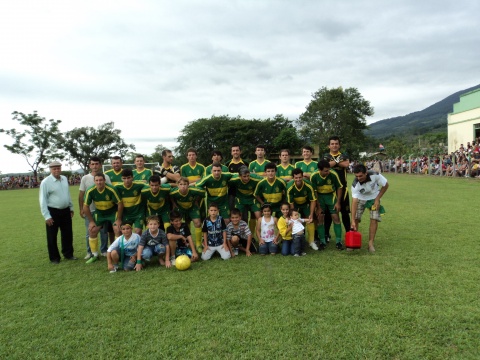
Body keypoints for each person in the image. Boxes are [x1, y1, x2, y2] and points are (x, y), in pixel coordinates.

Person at [39, 160, 76, 264]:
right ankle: (54, 258)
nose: (56, 170)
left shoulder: (64, 179)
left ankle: (68, 254)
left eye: (58, 168)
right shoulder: (46, 182)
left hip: (65, 210)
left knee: (68, 233)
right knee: (52, 236)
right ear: (50, 170)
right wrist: (47, 216)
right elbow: (43, 200)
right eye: (54, 168)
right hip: (53, 211)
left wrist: (71, 207)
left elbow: (67, 194)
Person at [83, 173, 124, 264]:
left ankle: (117, 253)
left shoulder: (111, 189)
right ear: (94, 181)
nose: (99, 182)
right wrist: (91, 221)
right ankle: (95, 255)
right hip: (100, 213)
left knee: (117, 229)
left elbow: (120, 203)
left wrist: (119, 219)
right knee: (92, 230)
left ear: (104, 180)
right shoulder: (90, 190)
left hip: (112, 212)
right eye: (97, 180)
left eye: (101, 180)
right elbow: (85, 207)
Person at [351, 164, 389, 253]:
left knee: (374, 219)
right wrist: (352, 219)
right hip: (360, 199)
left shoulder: (375, 175)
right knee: (355, 219)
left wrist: (377, 199)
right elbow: (354, 202)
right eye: (356, 176)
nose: (359, 178)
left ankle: (370, 243)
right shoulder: (355, 185)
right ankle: (354, 242)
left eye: (361, 175)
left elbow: (386, 185)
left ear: (366, 173)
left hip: (374, 198)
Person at [79, 156, 111, 260]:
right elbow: (81, 194)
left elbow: (110, 192)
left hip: (103, 210)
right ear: (89, 165)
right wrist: (81, 208)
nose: (94, 166)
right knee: (90, 231)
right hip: (90, 210)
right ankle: (90, 252)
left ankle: (104, 250)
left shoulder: (106, 177)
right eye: (92, 164)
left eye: (97, 164)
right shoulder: (85, 178)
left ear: (100, 165)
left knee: (103, 232)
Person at [310, 160, 344, 250]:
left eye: (329, 170)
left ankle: (338, 242)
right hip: (320, 198)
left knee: (335, 217)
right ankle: (322, 242)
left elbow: (339, 187)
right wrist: (318, 207)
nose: (328, 172)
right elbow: (314, 192)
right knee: (320, 217)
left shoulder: (333, 174)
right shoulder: (314, 176)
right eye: (326, 171)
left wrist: (338, 202)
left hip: (331, 196)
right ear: (319, 170)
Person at [323, 136, 351, 239]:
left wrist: (333, 163)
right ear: (329, 145)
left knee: (345, 213)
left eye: (336, 143)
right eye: (332, 144)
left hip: (343, 189)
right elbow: (325, 165)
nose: (334, 145)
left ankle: (349, 233)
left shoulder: (344, 155)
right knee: (329, 213)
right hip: (329, 189)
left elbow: (346, 164)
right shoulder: (325, 155)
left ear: (339, 145)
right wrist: (338, 162)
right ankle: (326, 234)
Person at [169, 177, 205, 252]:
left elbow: (202, 192)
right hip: (181, 208)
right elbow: (169, 196)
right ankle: (185, 242)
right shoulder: (174, 192)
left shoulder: (193, 190)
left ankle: (198, 244)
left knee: (198, 223)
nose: (183, 186)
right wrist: (173, 203)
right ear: (177, 185)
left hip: (192, 207)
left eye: (185, 184)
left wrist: (197, 200)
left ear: (188, 185)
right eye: (181, 184)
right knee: (181, 224)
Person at [286, 168, 318, 250]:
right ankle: (295, 239)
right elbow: (291, 204)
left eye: (300, 177)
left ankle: (311, 242)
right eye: (296, 178)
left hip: (305, 204)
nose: (298, 179)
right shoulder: (290, 187)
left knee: (310, 220)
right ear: (293, 178)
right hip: (295, 205)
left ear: (302, 176)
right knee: (294, 221)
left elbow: (313, 200)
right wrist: (294, 216)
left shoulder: (308, 185)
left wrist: (311, 213)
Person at [228, 165, 262, 234]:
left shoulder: (256, 178)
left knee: (259, 217)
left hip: (253, 199)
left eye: (248, 176)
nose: (247, 178)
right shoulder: (234, 179)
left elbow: (265, 180)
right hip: (240, 199)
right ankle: (240, 234)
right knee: (239, 217)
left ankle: (252, 235)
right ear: (240, 176)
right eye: (244, 176)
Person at [115, 168, 148, 235]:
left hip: (138, 213)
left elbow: (153, 185)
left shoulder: (139, 185)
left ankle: (139, 245)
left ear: (132, 177)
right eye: (124, 178)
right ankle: (124, 245)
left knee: (138, 231)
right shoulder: (117, 187)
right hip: (126, 214)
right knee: (123, 231)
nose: (127, 180)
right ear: (121, 178)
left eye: (128, 178)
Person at [226, 144, 249, 210]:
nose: (235, 152)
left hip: (243, 191)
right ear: (231, 152)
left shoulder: (246, 163)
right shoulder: (227, 164)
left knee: (244, 212)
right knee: (231, 209)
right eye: (233, 151)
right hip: (231, 191)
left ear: (240, 152)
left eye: (237, 150)